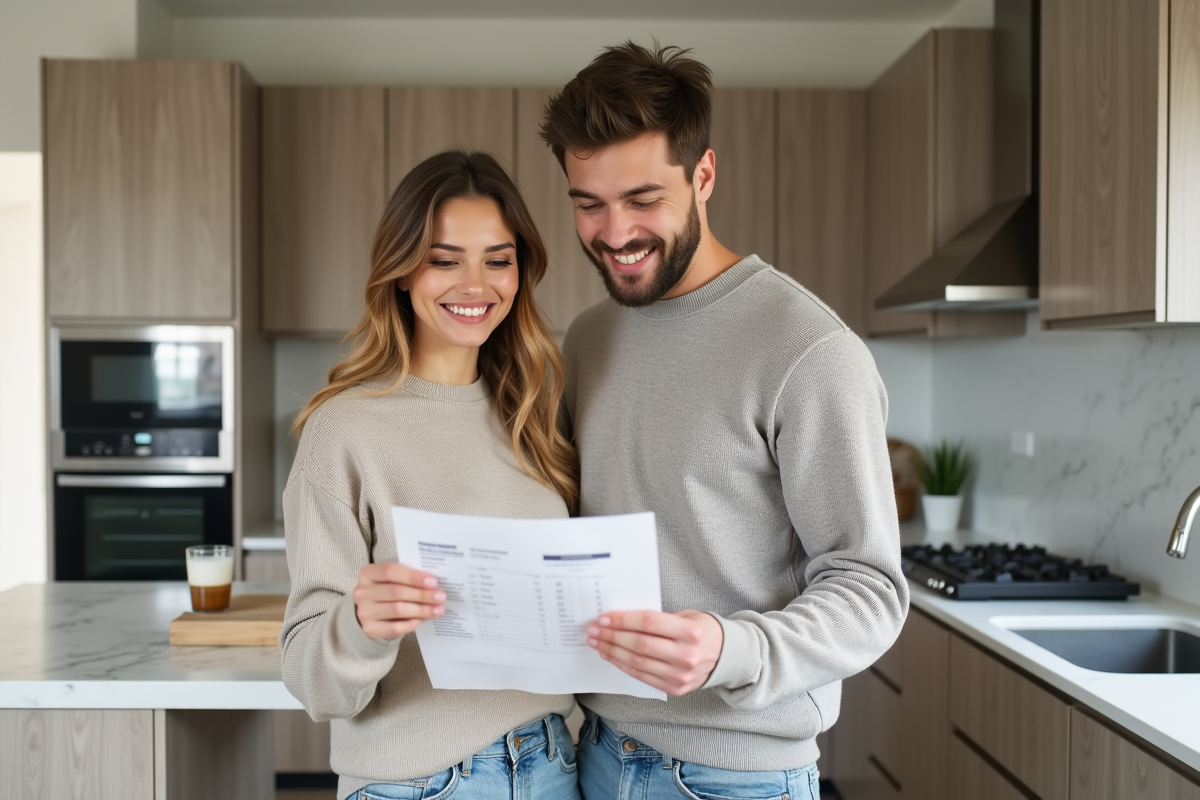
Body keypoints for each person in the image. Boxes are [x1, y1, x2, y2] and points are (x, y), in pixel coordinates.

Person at [540, 42, 910, 800]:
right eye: (589, 203)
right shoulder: (586, 338)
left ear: (703, 175)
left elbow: (870, 589)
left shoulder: (807, 350)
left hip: (737, 774)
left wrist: (730, 648)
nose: (614, 232)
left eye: (643, 199)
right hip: (595, 753)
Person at [279, 150, 582, 800]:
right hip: (417, 783)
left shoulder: (536, 416)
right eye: (444, 259)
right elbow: (310, 679)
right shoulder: (345, 431)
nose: (475, 285)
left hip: (554, 766)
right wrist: (360, 624)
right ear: (401, 271)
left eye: (498, 259)